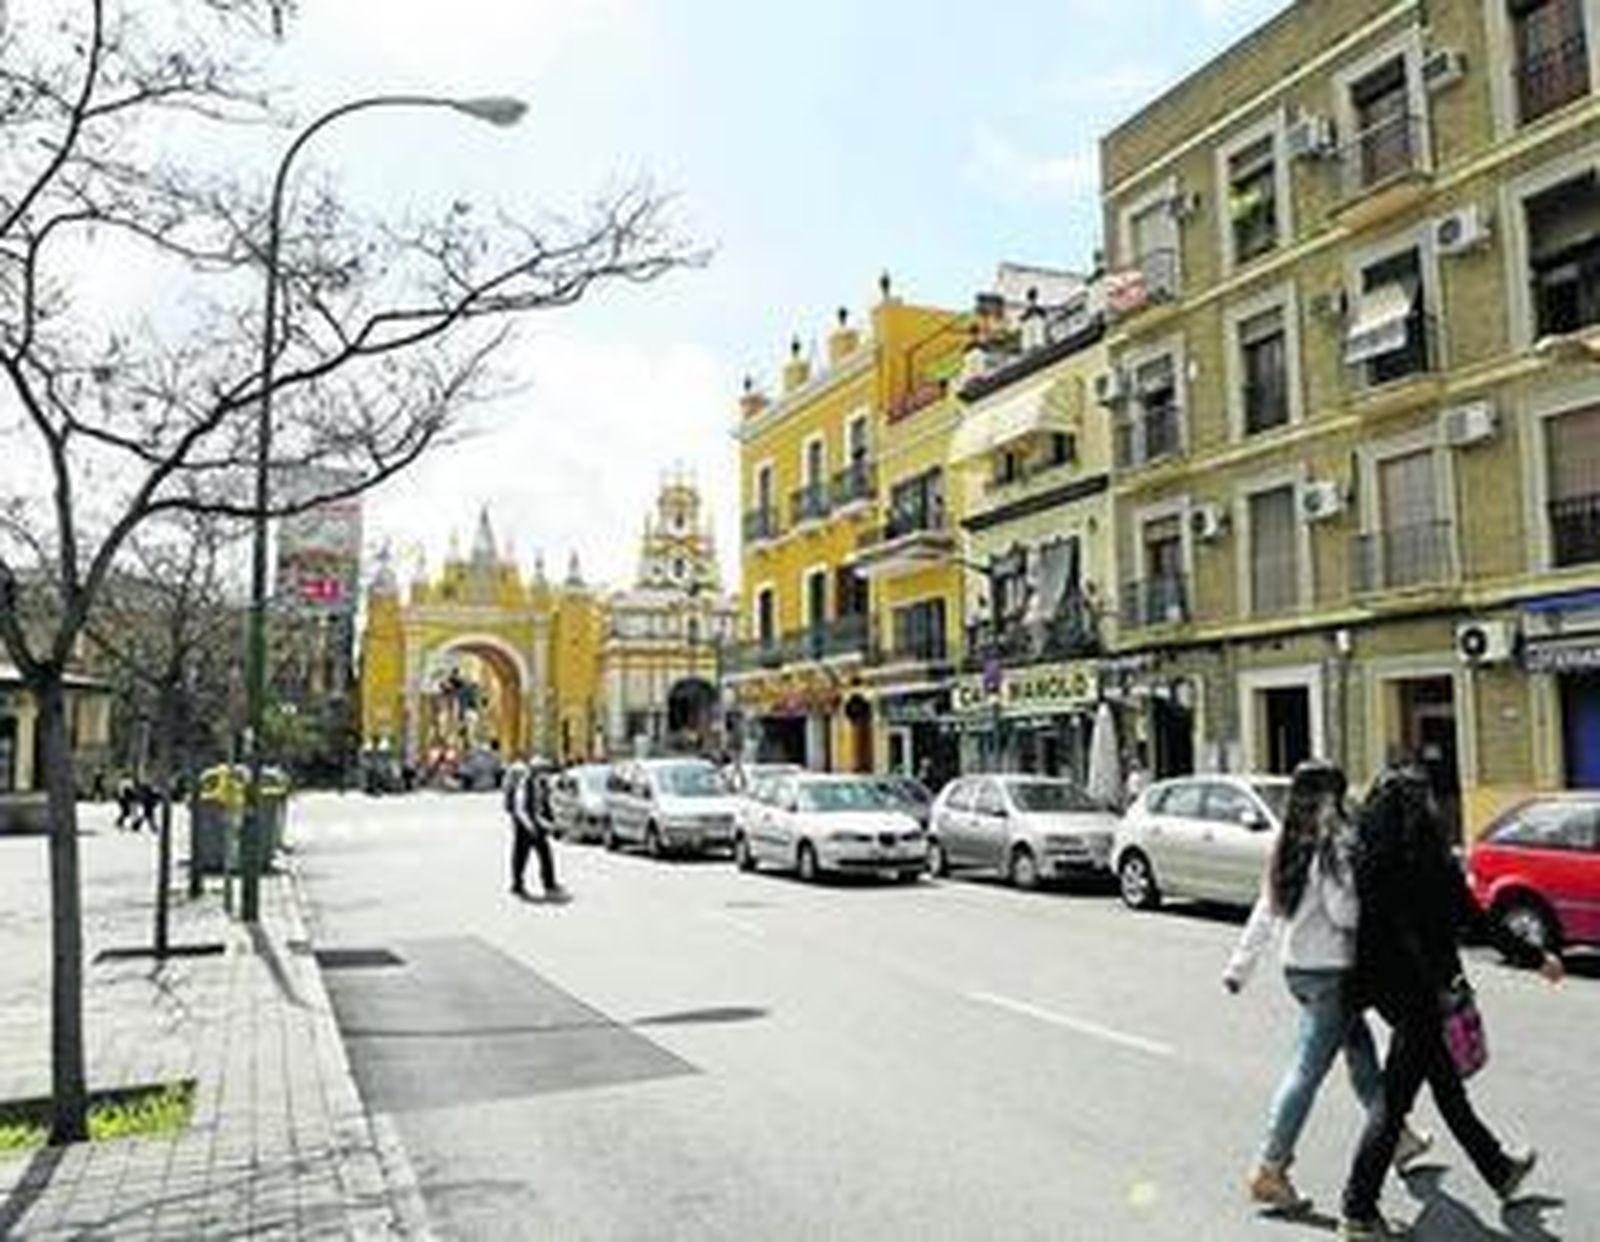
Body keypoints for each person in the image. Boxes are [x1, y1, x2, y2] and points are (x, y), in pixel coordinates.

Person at [1337, 765, 1565, 1241]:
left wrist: (1355, 994)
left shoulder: (1366, 860)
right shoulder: (1434, 864)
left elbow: (1358, 935)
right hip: (1425, 991)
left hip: (1388, 991)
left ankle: (1499, 1168)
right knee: (1394, 1102)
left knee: (1445, 1086)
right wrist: (1535, 957)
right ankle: (1357, 1209)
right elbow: (1476, 923)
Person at [1223, 760, 1430, 1212]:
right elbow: (1343, 914)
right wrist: (1371, 908)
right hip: (1331, 973)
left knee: (1359, 1053)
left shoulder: (1287, 840)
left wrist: (1240, 967)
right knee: (1306, 1070)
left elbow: (1267, 906)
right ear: (1330, 797)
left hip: (1297, 969)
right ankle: (1269, 1168)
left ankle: (1397, 1137)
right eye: (1341, 793)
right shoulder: (1329, 843)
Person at [507, 759, 566, 901]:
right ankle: (517, 884)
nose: (545, 773)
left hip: (536, 824)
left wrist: (549, 822)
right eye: (542, 770)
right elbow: (520, 807)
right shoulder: (525, 783)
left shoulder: (539, 783)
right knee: (521, 856)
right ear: (535, 770)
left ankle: (549, 884)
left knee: (545, 855)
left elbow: (542, 805)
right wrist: (530, 826)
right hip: (525, 825)